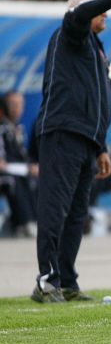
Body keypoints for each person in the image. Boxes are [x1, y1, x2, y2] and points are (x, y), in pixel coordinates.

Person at [31, 0, 111, 303]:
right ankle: (46, 281)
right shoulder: (69, 33)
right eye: (99, 7)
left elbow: (100, 100)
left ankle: (67, 281)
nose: (105, 13)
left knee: (76, 214)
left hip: (87, 140)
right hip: (63, 133)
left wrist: (102, 146)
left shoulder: (96, 50)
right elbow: (81, 13)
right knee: (55, 207)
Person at [0, 92, 38, 238]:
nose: (17, 108)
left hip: (15, 170)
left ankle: (37, 219)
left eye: (20, 105)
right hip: (6, 174)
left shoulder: (18, 129)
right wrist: (26, 168)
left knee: (38, 176)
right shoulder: (2, 129)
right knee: (16, 179)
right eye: (13, 104)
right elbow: (2, 163)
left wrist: (31, 166)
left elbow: (22, 157)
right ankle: (25, 222)